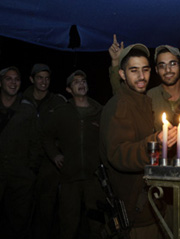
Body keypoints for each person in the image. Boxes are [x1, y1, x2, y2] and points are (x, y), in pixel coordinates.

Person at [99, 43, 177, 239]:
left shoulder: (143, 101)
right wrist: (155, 143)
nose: (141, 76)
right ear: (122, 74)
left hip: (151, 204)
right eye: (134, 71)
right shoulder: (120, 105)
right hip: (135, 207)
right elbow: (117, 154)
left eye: (145, 70)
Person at [43, 70, 105, 239]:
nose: (81, 84)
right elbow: (46, 136)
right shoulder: (61, 112)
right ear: (69, 89)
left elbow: (108, 140)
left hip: (94, 178)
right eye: (76, 82)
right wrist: (55, 155)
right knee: (69, 223)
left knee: (97, 224)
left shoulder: (100, 111)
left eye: (83, 80)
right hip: (69, 177)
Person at [23, 63, 66, 239]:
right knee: (22, 207)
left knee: (46, 209)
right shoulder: (21, 100)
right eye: (40, 78)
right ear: (32, 79)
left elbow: (65, 128)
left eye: (47, 78)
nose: (44, 82)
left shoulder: (57, 101)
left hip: (49, 165)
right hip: (24, 162)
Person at [0, 66, 42, 238]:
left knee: (19, 222)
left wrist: (31, 170)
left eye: (16, 79)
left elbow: (36, 142)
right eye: (8, 79)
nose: (13, 82)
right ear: (1, 82)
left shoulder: (27, 109)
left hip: (20, 177)